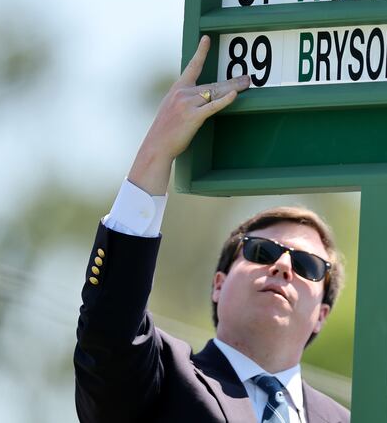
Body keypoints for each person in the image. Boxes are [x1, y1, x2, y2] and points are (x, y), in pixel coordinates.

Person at [73, 36, 350, 422]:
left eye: (307, 266)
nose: (283, 266)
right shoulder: (164, 380)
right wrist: (158, 149)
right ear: (219, 283)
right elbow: (109, 332)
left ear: (321, 314)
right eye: (261, 252)